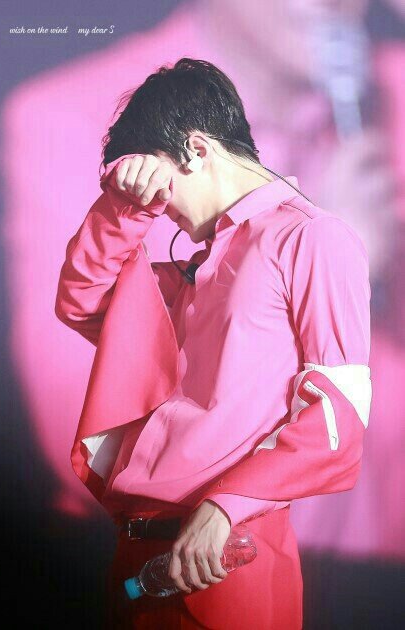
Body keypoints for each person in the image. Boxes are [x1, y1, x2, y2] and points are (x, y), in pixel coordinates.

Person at [55, 58, 372, 629]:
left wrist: (227, 506)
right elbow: (81, 298)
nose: (163, 210)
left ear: (197, 149)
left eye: (161, 186)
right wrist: (124, 206)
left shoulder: (311, 238)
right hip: (136, 558)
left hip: (225, 561)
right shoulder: (187, 268)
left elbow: (339, 417)